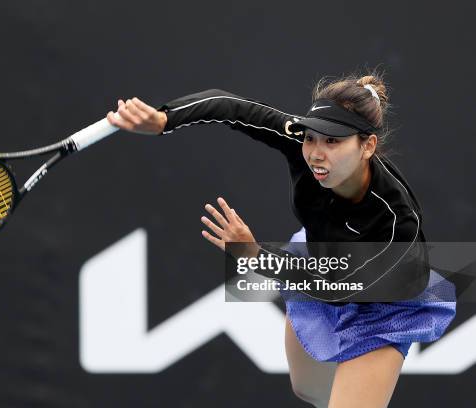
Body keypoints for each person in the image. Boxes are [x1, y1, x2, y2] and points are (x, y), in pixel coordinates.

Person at [106, 73, 457, 408]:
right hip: (316, 263)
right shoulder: (301, 142)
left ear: (367, 146)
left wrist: (256, 256)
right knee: (306, 388)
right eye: (310, 137)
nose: (316, 153)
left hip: (381, 303)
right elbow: (229, 106)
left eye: (332, 141)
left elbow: (337, 287)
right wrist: (165, 120)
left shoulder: (396, 220)